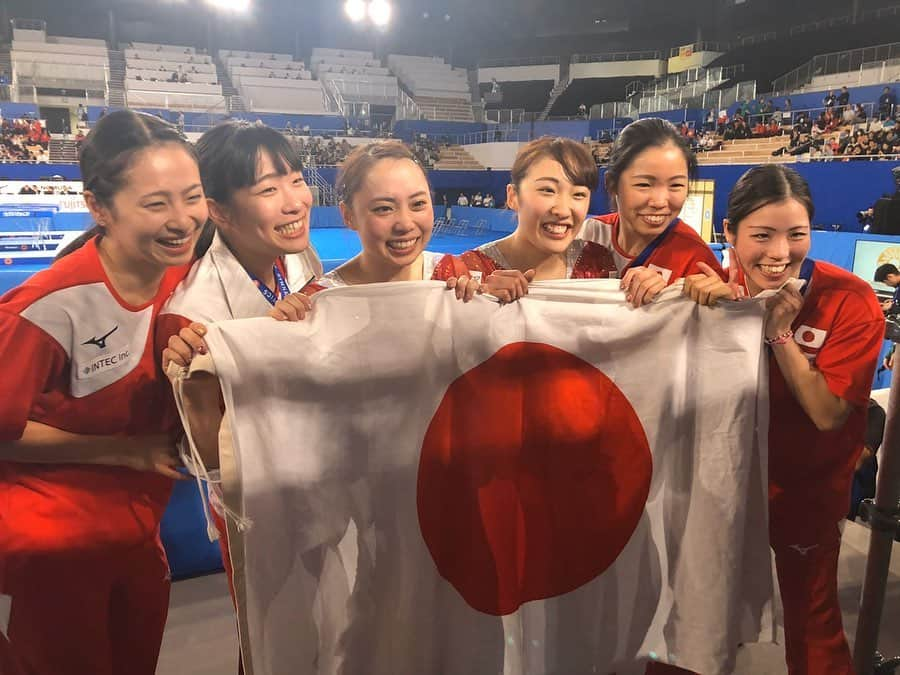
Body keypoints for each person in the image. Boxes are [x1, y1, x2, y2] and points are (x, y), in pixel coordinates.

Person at [0, 110, 207, 675]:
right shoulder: (45, 307)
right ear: (98, 208)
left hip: (138, 531)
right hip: (52, 541)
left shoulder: (188, 277)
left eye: (193, 196)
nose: (183, 219)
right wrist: (125, 450)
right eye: (156, 203)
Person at [684, 164, 885, 675]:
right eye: (762, 235)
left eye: (796, 234)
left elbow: (827, 413)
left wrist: (778, 334)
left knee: (811, 619)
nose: (779, 253)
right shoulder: (711, 288)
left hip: (803, 492)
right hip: (720, 487)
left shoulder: (850, 300)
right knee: (700, 615)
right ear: (728, 233)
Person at [158, 121, 323, 674]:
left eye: (296, 179)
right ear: (220, 211)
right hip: (258, 509)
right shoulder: (194, 313)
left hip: (321, 479)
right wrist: (256, 349)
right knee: (275, 638)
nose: (294, 200)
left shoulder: (298, 261)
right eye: (268, 189)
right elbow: (206, 458)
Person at [432, 136, 617, 299]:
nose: (562, 210)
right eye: (547, 190)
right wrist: (479, 303)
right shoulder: (469, 272)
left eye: (578, 194)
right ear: (513, 196)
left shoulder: (598, 262)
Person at [578, 117, 725, 308]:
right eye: (644, 184)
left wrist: (719, 301)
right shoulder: (587, 235)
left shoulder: (696, 261)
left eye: (676, 185)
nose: (659, 202)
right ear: (611, 184)